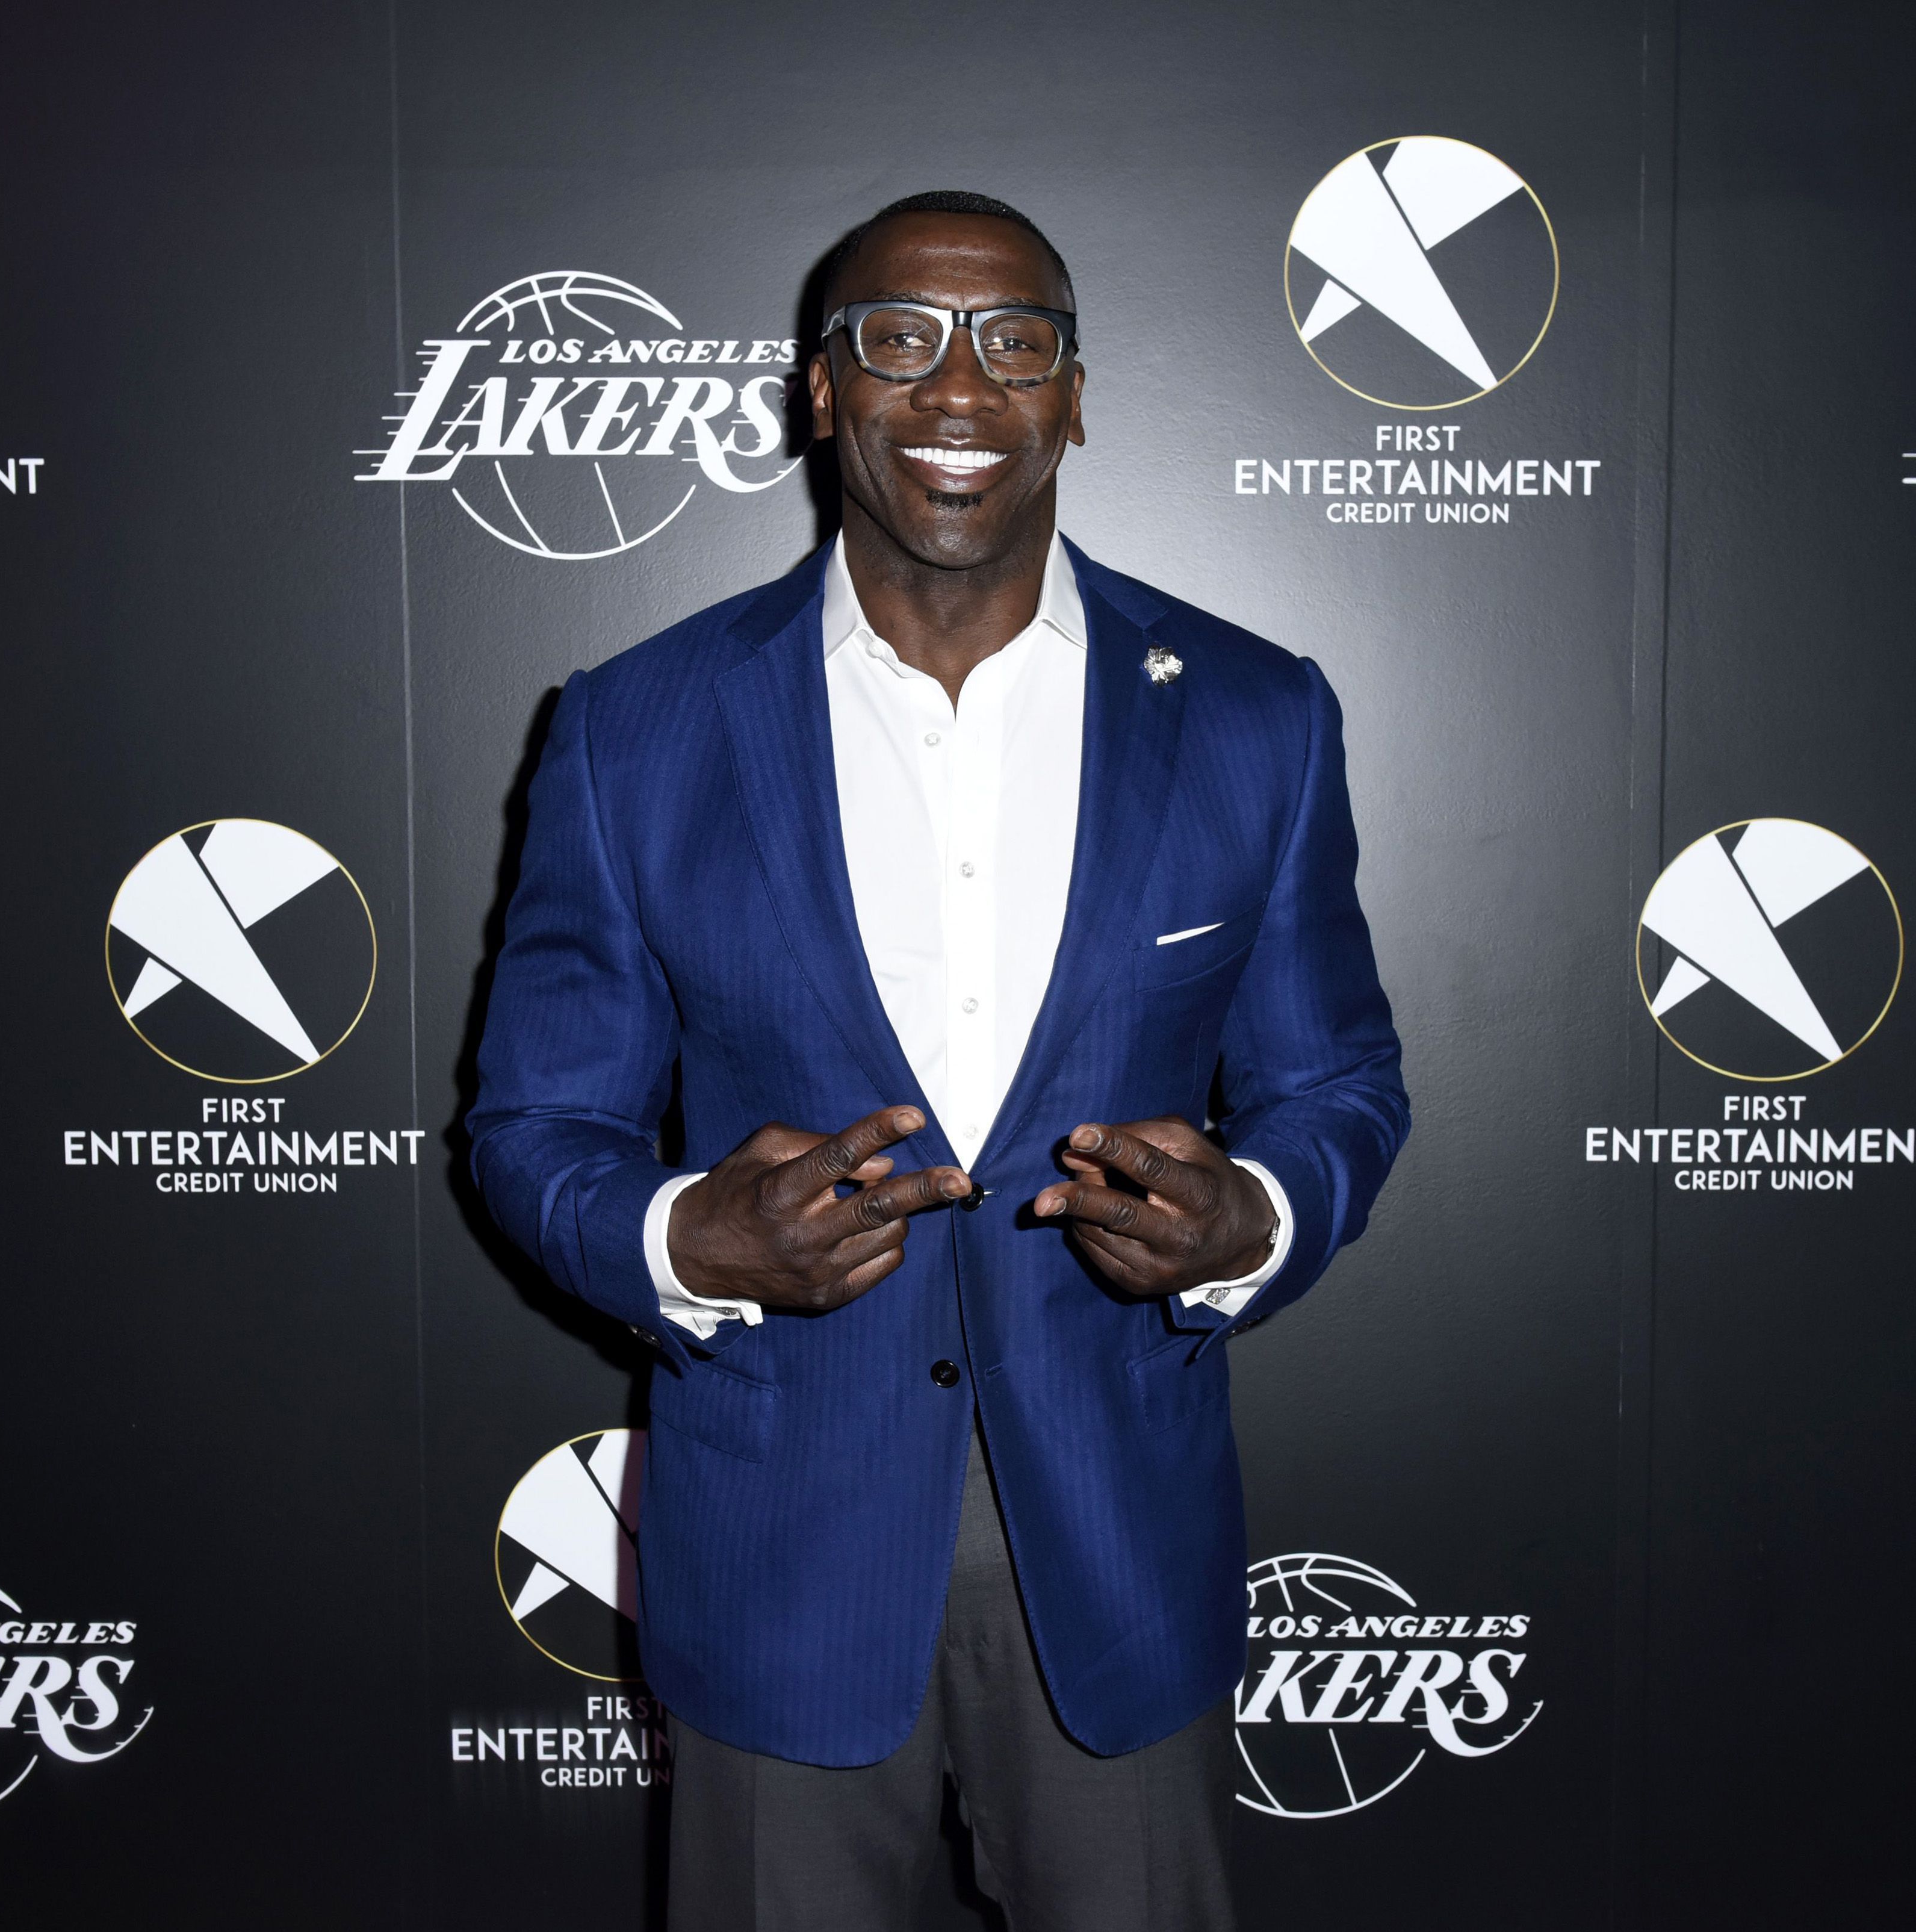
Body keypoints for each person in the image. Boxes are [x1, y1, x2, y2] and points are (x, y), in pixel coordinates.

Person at [470, 188, 1406, 1931]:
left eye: (1013, 341)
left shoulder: (1258, 714)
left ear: (1074, 396)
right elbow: (535, 1124)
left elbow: (1339, 1084)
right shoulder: (635, 727)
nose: (958, 387)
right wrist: (689, 1237)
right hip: (781, 1565)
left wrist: (1252, 1219)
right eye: (899, 338)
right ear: (823, 390)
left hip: (1121, 1560)